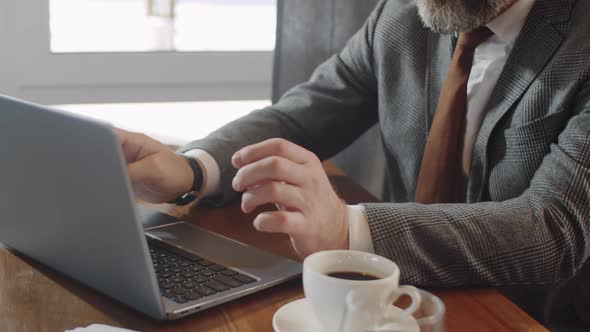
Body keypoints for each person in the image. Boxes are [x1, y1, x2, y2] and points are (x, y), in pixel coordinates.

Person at [116, 0, 590, 327]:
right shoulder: (401, 15)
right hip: (396, 304)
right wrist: (193, 171)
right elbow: (305, 115)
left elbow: (552, 228)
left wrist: (347, 229)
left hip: (535, 316)